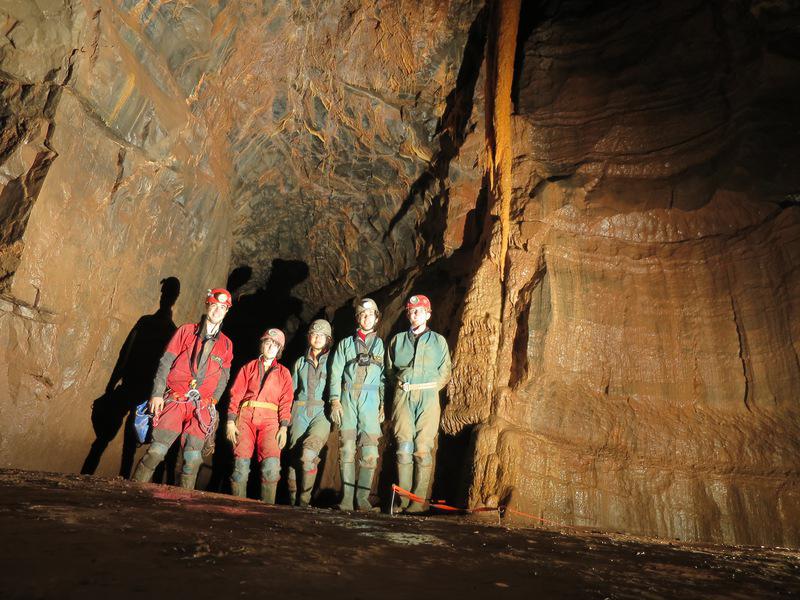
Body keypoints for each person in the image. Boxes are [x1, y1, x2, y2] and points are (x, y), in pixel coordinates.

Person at [131, 288, 233, 489]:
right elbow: (165, 362)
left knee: (193, 460)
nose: (218, 311)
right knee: (156, 452)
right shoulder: (186, 331)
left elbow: (224, 377)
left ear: (227, 311)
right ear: (207, 305)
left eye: (223, 307)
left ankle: (184, 501)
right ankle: (133, 491)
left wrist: (213, 401)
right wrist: (157, 394)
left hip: (201, 408)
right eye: (214, 305)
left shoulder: (227, 345)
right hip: (176, 400)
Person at [386, 294, 451, 513]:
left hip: (428, 397)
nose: (414, 315)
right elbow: (389, 370)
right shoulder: (397, 340)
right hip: (403, 395)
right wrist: (402, 386)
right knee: (404, 447)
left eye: (419, 311)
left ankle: (417, 502)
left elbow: (445, 371)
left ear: (427, 314)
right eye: (411, 311)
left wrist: (429, 388)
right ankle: (403, 500)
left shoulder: (438, 341)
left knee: (423, 448)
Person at [328, 298, 385, 511]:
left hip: (370, 401)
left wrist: (383, 404)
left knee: (370, 452)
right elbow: (335, 372)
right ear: (357, 318)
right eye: (362, 314)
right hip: (348, 399)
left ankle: (362, 500)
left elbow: (383, 378)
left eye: (370, 314)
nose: (366, 317)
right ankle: (346, 500)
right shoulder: (345, 344)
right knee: (347, 449)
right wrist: (335, 400)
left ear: (376, 318)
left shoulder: (380, 345)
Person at [226, 328, 293, 504]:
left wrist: (284, 427)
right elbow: (236, 394)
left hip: (271, 420)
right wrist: (230, 421)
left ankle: (267, 511)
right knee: (240, 467)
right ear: (262, 344)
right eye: (268, 342)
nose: (271, 347)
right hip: (246, 417)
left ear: (280, 349)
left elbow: (286, 401)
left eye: (275, 345)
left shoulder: (284, 373)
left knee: (271, 468)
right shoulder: (248, 367)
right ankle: (237, 508)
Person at [287, 319, 333, 507]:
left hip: (321, 412)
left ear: (328, 339)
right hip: (299, 410)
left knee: (308, 454)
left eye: (322, 335)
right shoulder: (300, 362)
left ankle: (304, 502)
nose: (318, 338)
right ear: (308, 337)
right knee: (293, 456)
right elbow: (290, 391)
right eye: (314, 334)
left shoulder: (332, 362)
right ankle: (291, 501)